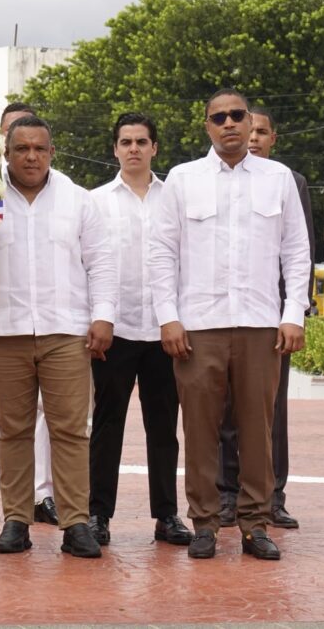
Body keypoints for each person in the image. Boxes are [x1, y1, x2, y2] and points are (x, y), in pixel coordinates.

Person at [149, 89, 309, 561]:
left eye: (237, 115)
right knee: (199, 430)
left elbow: (296, 252)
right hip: (199, 326)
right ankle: (204, 523)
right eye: (219, 117)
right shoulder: (183, 179)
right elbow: (162, 253)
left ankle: (256, 524)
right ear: (207, 126)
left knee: (258, 428)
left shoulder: (278, 178)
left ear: (249, 120)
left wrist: (293, 313)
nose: (230, 123)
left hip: (261, 324)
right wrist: (169, 318)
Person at [0, 114, 116, 558]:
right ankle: (16, 520)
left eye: (39, 148)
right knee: (11, 429)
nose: (31, 156)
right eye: (22, 148)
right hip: (5, 330)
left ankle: (75, 523)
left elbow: (101, 262)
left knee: (71, 431)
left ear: (52, 152)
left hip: (66, 332)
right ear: (6, 152)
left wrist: (104, 317)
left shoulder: (78, 200)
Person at [87, 113, 191, 547]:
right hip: (116, 329)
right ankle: (97, 515)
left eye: (141, 141)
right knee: (107, 425)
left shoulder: (176, 199)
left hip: (165, 332)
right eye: (125, 141)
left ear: (155, 148)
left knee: (164, 428)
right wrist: (96, 316)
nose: (133, 148)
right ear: (114, 149)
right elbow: (89, 264)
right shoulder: (94, 202)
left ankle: (167, 516)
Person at [217, 106, 315, 530]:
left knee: (270, 412)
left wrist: (294, 312)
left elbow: (300, 252)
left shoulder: (289, 183)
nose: (253, 137)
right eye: (248, 130)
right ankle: (227, 497)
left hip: (272, 319)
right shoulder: (205, 179)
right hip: (219, 315)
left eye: (262, 131)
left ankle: (273, 496)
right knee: (223, 413)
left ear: (274, 138)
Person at [0, 101, 57, 529]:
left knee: (41, 413)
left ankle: (42, 494)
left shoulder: (60, 192)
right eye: (15, 139)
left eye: (34, 141)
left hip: (47, 323)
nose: (28, 152)